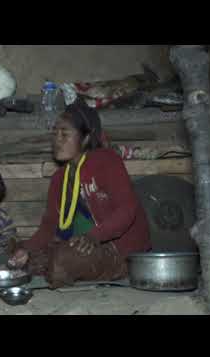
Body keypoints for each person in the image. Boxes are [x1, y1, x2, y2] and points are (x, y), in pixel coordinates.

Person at [8, 101, 152, 288]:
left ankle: (60, 266)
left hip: (119, 250)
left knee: (61, 261)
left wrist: (93, 236)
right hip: (82, 246)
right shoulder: (60, 178)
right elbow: (50, 226)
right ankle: (54, 264)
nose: (57, 140)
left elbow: (127, 209)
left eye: (65, 134)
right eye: (55, 134)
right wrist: (26, 250)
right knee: (23, 254)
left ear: (86, 138)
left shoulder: (107, 161)